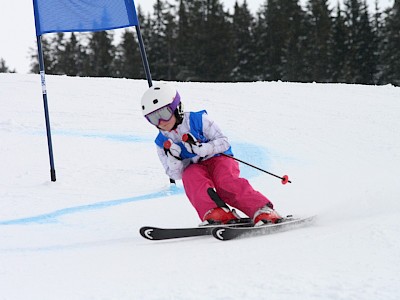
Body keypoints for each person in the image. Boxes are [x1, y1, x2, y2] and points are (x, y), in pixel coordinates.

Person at [141, 83, 283, 226]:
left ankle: (262, 210)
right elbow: (175, 175)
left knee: (226, 182)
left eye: (164, 114)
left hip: (219, 159)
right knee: (191, 177)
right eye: (153, 118)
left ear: (176, 107)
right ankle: (217, 212)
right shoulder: (161, 143)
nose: (161, 122)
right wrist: (175, 161)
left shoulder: (197, 120)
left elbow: (224, 142)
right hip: (195, 167)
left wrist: (205, 148)